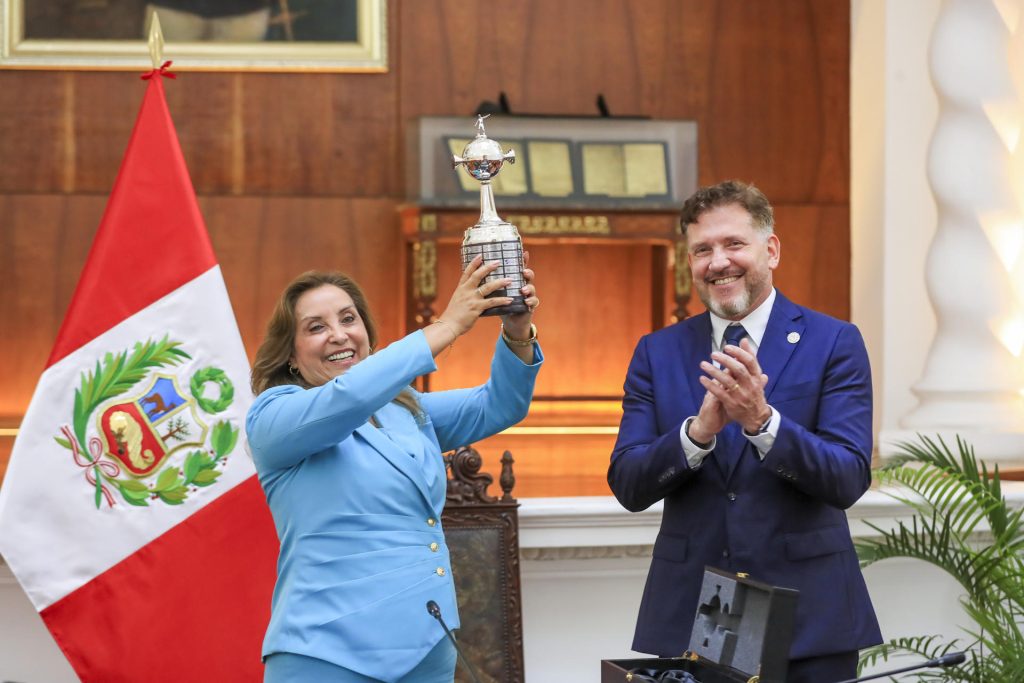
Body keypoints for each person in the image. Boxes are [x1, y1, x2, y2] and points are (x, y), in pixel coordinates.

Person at [608, 180, 881, 683]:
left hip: (808, 622)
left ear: (770, 250)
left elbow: (847, 478)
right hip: (690, 623)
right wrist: (697, 433)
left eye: (734, 244)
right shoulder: (657, 351)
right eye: (703, 250)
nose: (718, 262)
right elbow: (628, 483)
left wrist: (762, 422)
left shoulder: (834, 341)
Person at [246, 255, 542, 683]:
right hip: (326, 656)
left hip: (427, 651)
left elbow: (499, 404)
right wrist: (446, 326)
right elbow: (346, 399)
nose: (338, 334)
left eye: (349, 319)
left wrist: (517, 330)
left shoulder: (404, 409)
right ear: (290, 355)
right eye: (316, 327)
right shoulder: (273, 417)